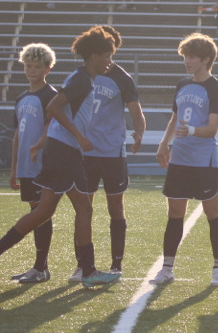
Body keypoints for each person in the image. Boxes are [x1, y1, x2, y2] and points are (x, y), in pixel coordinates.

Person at [0, 27, 125, 287]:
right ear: (93, 56)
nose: (109, 62)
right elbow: (53, 107)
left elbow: (56, 114)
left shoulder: (83, 78)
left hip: (59, 150)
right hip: (65, 152)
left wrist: (45, 142)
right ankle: (89, 272)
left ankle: (87, 270)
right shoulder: (82, 79)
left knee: (43, 211)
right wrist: (79, 137)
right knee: (84, 208)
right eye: (106, 56)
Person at [151, 33, 218, 286]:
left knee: (212, 212)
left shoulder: (216, 89)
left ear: (206, 59)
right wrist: (164, 144)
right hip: (179, 159)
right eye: (185, 56)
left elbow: (213, 128)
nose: (187, 61)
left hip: (204, 160)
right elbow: (175, 119)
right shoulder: (182, 85)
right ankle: (167, 268)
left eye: (192, 56)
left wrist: (193, 131)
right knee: (175, 213)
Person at [78, 26, 145, 279]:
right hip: (86, 152)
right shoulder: (83, 75)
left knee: (115, 208)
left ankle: (117, 264)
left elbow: (137, 112)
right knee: (84, 209)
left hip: (112, 153)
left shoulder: (122, 78)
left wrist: (139, 133)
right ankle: (83, 264)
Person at [8, 44, 59, 283]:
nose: (31, 70)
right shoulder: (21, 97)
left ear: (47, 68)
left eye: (37, 66)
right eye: (28, 65)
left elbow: (52, 128)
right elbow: (18, 133)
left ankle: (40, 267)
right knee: (34, 213)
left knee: (40, 214)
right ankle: (40, 267)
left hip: (43, 165)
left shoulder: (51, 95)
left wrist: (40, 146)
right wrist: (14, 168)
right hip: (26, 166)